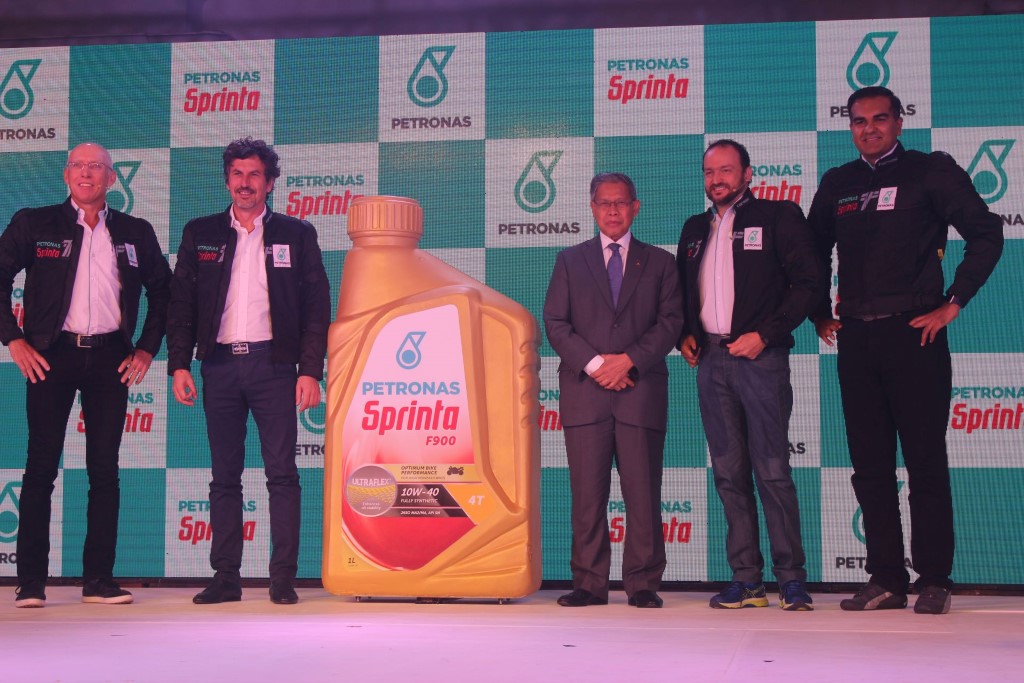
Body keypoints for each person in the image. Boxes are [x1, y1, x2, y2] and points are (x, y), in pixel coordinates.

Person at [808, 87, 1003, 615]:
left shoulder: (930, 170)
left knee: (924, 461)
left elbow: (986, 233)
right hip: (856, 339)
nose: (869, 129)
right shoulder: (839, 183)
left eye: (879, 119)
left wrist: (953, 302)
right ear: (849, 127)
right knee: (870, 466)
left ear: (899, 121)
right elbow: (810, 252)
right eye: (859, 121)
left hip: (915, 335)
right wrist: (819, 313)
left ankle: (935, 578)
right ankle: (886, 579)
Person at [0, 142, 171, 608]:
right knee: (40, 468)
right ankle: (30, 582)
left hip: (111, 359)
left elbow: (164, 292)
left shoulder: (135, 231)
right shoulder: (35, 224)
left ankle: (98, 581)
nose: (86, 173)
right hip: (50, 357)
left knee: (104, 471)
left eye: (96, 167)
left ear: (112, 179)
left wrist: (146, 349)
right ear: (65, 175)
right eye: (78, 165)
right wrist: (13, 339)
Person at [167, 137, 330, 605]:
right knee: (224, 476)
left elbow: (316, 307)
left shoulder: (296, 234)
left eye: (254, 174)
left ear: (270, 183)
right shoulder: (200, 232)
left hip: (274, 367)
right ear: (227, 181)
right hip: (218, 366)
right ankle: (226, 578)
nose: (245, 183)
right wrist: (179, 364)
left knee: (282, 474)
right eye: (237, 174)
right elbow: (181, 305)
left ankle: (283, 579)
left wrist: (309, 371)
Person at [676, 139, 822, 611]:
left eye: (725, 170)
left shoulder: (779, 216)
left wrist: (766, 334)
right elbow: (682, 291)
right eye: (709, 172)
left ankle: (792, 580)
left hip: (761, 358)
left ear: (747, 174)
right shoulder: (694, 228)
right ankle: (747, 581)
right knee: (727, 473)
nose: (716, 179)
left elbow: (809, 283)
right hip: (711, 361)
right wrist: (685, 334)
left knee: (773, 472)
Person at [543, 172, 682, 609]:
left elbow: (671, 323)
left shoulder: (661, 262)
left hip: (640, 391)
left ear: (636, 207)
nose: (613, 211)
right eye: (604, 203)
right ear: (592, 209)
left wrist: (629, 361)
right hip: (586, 393)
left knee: (643, 493)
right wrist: (597, 365)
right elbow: (556, 323)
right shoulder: (570, 260)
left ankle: (643, 584)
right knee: (587, 495)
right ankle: (589, 583)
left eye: (621, 203)